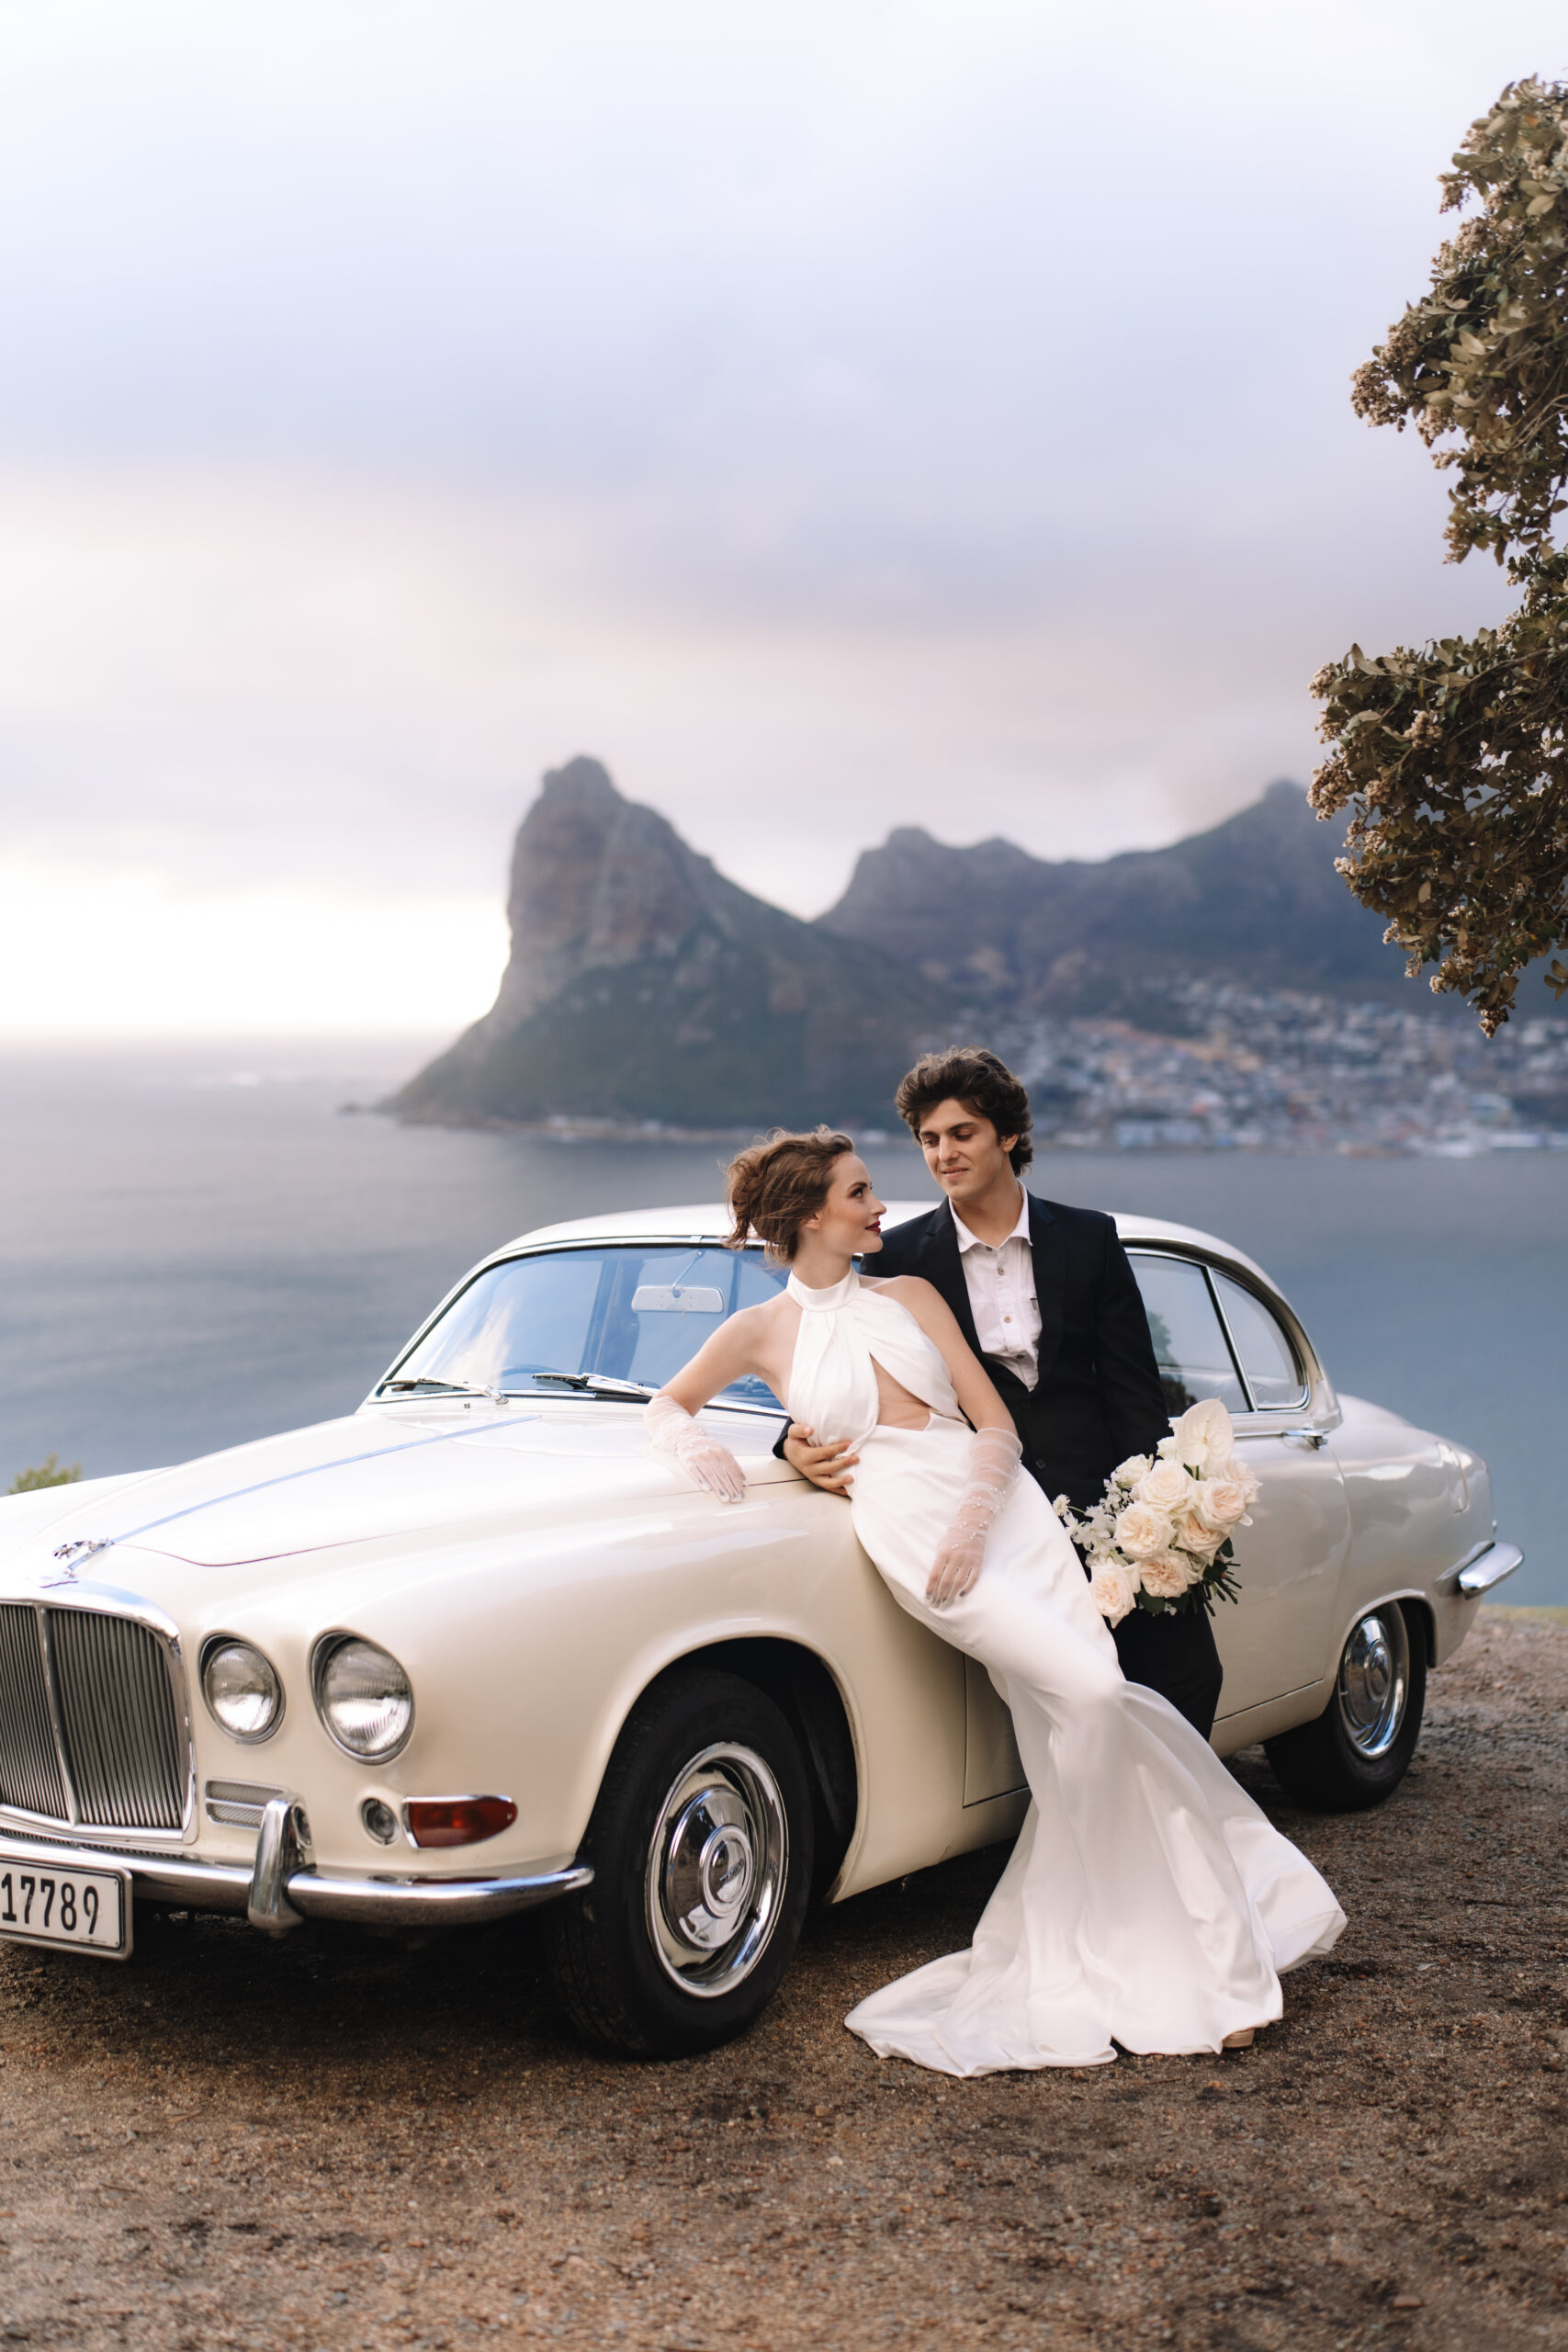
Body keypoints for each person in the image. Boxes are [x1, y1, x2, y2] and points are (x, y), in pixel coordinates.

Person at [647, 1126, 1344, 2076]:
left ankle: (1142, 1940)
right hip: (907, 1529)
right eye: (860, 1191)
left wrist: (978, 1519)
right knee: (1080, 1702)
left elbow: (994, 1419)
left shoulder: (912, 1293)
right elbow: (668, 1405)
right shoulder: (757, 1331)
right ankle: (1152, 1940)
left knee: (1083, 1702)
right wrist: (727, 1453)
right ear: (814, 1213)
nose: (880, 1203)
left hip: (1001, 1516)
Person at [779, 1047, 1225, 1740]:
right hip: (983, 1512)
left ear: (1007, 1136)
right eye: (928, 1139)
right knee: (1072, 1694)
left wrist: (1158, 1518)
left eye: (962, 1134)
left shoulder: (1088, 1237)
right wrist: (791, 1443)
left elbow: (1134, 1390)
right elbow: (817, 1354)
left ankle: (1169, 1828)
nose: (942, 1154)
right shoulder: (892, 1258)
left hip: (1107, 1501)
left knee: (1187, 1673)